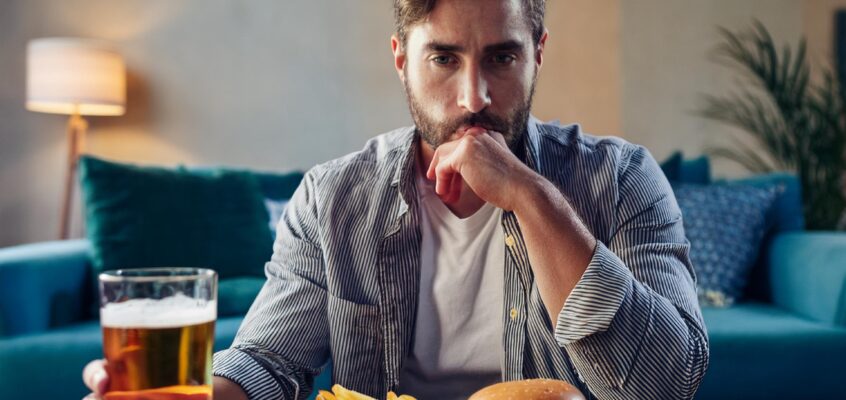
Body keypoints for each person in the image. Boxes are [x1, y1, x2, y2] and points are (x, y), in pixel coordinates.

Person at [83, 0, 709, 399]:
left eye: (502, 57)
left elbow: (665, 384)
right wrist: (185, 395)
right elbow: (267, 367)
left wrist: (530, 196)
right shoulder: (334, 198)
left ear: (537, 54)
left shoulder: (622, 179)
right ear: (401, 61)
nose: (474, 97)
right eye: (443, 58)